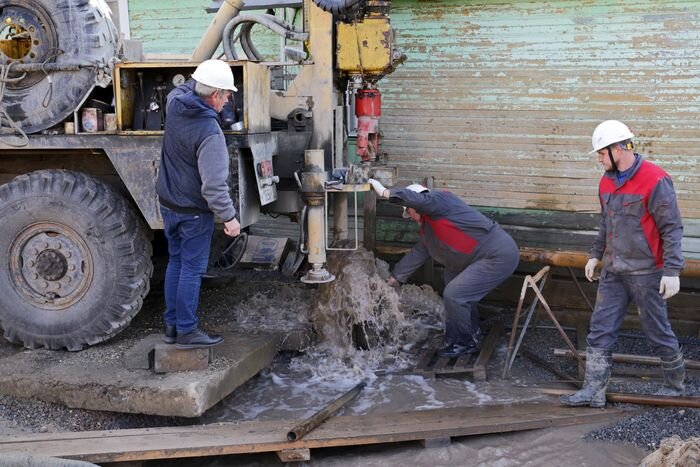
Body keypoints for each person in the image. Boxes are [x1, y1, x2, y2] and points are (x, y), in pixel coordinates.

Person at [561, 120, 686, 408]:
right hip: (614, 270)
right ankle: (593, 390)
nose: (599, 159)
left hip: (647, 272)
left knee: (657, 329)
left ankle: (675, 386)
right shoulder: (607, 181)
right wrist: (595, 254)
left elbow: (672, 228)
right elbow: (605, 222)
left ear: (618, 149)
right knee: (600, 327)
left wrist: (672, 271)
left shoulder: (655, 180)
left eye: (602, 153)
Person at [367, 180, 520, 357]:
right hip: (480, 256)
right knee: (452, 279)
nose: (410, 218)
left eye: (409, 212)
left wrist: (386, 192)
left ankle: (463, 343)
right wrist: (395, 278)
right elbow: (419, 252)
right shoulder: (430, 224)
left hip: (497, 255)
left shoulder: (440, 200)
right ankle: (472, 331)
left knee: (455, 294)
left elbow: (421, 200)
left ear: (414, 205)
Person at [156, 59, 241, 349]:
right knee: (191, 269)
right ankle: (187, 331)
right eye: (227, 95)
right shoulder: (210, 132)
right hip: (193, 212)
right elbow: (214, 186)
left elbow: (182, 89)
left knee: (176, 262)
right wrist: (229, 218)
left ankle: (172, 326)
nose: (228, 100)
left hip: (169, 203)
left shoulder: (175, 103)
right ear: (215, 95)